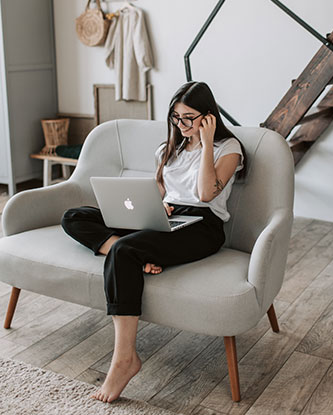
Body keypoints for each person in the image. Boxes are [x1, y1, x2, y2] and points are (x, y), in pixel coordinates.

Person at [61, 81, 246, 403]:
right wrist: (153, 207)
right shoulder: (167, 149)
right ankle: (129, 253)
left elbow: (205, 194)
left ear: (208, 117)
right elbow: (159, 192)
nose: (181, 125)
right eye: (176, 117)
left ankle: (125, 359)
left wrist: (204, 143)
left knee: (123, 250)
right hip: (165, 217)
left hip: (202, 225)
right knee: (74, 216)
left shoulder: (228, 149)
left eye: (189, 117)